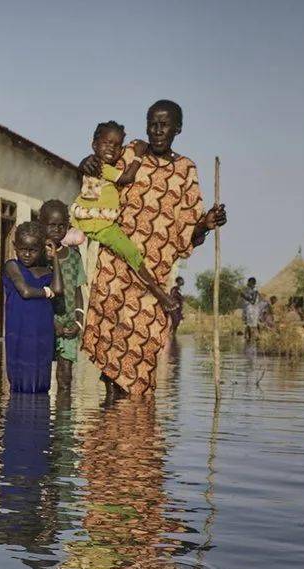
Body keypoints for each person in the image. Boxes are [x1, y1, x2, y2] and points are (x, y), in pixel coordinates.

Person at [80, 100, 227, 400]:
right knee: (110, 353)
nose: (158, 130)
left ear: (178, 128)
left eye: (165, 124)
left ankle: (135, 438)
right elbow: (98, 178)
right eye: (152, 124)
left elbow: (189, 231)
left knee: (141, 355)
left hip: (153, 276)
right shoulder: (133, 151)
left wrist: (206, 224)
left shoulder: (186, 170)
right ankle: (108, 434)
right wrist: (87, 164)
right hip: (115, 267)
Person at [71, 121, 177, 313]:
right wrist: (138, 155)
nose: (112, 147)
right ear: (94, 145)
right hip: (102, 226)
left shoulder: (94, 166)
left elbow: (89, 194)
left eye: (117, 145)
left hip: (85, 222)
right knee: (132, 254)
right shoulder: (100, 167)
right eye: (107, 143)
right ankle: (157, 291)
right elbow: (127, 178)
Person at [2, 221, 63, 393]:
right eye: (23, 249)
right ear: (15, 247)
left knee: (41, 384)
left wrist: (55, 258)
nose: (27, 254)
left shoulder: (46, 271)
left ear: (42, 249)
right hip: (20, 333)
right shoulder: (12, 266)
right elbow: (26, 292)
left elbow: (58, 289)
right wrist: (46, 292)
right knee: (20, 382)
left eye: (33, 250)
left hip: (42, 334)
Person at [39, 200, 87, 395]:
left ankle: (64, 423)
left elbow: (77, 292)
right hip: (45, 323)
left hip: (68, 325)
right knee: (41, 375)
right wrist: (51, 323)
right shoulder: (38, 256)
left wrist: (79, 322)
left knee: (65, 378)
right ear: (41, 225)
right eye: (52, 225)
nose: (57, 230)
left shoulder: (74, 256)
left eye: (62, 226)